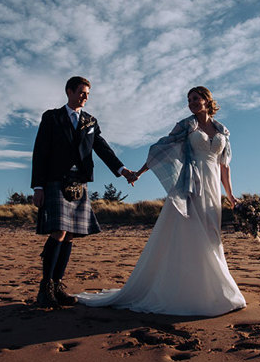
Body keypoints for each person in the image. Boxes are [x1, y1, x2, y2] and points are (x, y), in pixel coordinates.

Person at [76, 86, 246, 316]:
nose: (192, 103)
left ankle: (214, 289)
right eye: (189, 100)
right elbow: (160, 149)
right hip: (191, 187)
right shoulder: (186, 126)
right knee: (192, 235)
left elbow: (225, 167)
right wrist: (139, 172)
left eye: (196, 99)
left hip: (213, 188)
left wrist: (231, 196)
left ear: (207, 100)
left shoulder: (222, 130)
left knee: (212, 236)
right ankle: (194, 293)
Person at [31, 76, 136, 309]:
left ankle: (57, 286)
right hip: (55, 180)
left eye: (87, 93)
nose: (85, 96)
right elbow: (40, 152)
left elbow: (102, 148)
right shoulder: (51, 117)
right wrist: (38, 186)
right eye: (81, 92)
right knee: (59, 231)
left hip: (79, 182)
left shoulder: (90, 121)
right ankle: (45, 287)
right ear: (68, 91)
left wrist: (122, 169)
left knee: (69, 235)